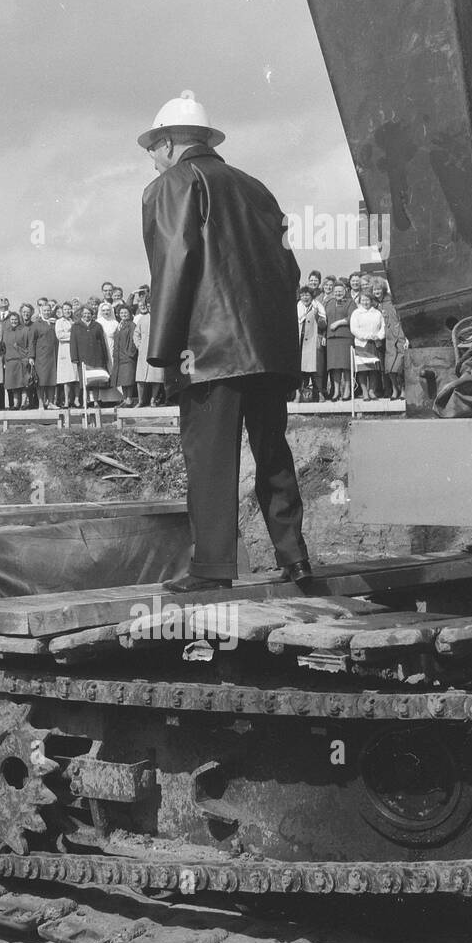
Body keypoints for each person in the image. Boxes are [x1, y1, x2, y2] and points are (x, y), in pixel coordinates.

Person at [139, 89, 310, 591]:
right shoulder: (257, 188)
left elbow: (174, 262)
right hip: (266, 351)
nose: (150, 158)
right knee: (272, 453)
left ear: (169, 142)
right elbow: (288, 269)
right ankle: (295, 557)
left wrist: (164, 351)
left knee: (210, 460)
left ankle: (212, 569)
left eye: (152, 147)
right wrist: (283, 352)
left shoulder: (172, 184)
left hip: (208, 351)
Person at [70, 304, 111, 407]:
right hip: (83, 358)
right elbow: (73, 343)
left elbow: (102, 342)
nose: (87, 315)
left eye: (89, 313)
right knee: (85, 381)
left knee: (96, 381)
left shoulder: (97, 326)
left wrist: (105, 357)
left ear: (92, 315)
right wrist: (74, 358)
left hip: (96, 357)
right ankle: (86, 401)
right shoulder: (76, 326)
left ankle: (96, 401)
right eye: (85, 313)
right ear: (81, 314)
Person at [322, 279, 355, 401]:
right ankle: (336, 392)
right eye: (336, 292)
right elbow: (324, 319)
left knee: (346, 366)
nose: (338, 294)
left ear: (345, 291)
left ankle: (347, 391)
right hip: (331, 339)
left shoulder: (350, 303)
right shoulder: (329, 303)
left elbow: (352, 317)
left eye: (340, 291)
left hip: (345, 338)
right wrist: (324, 335)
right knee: (334, 367)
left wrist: (339, 323)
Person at [349, 287, 385, 399]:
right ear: (360, 301)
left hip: (374, 344)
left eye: (367, 300)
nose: (365, 302)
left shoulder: (377, 313)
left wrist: (379, 336)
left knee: (373, 369)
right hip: (362, 344)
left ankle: (371, 391)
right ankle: (364, 392)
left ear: (371, 300)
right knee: (363, 369)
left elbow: (382, 327)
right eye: (363, 300)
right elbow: (354, 329)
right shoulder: (356, 313)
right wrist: (367, 336)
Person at [378, 281, 407, 400]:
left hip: (399, 337)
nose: (376, 292)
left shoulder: (392, 302)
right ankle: (395, 389)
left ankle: (403, 390)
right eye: (374, 289)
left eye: (378, 289)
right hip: (388, 339)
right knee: (389, 368)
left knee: (399, 367)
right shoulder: (378, 305)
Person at [296, 286, 324, 402]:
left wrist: (317, 315)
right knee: (300, 370)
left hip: (313, 342)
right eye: (302, 295)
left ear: (311, 296)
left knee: (315, 370)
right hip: (300, 342)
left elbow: (323, 325)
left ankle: (320, 394)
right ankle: (299, 394)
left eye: (307, 295)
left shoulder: (317, 305)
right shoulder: (297, 306)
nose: (305, 297)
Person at [29, 298, 58, 409]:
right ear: (41, 312)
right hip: (41, 357)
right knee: (41, 381)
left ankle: (50, 402)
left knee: (51, 379)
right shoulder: (36, 324)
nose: (47, 312)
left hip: (52, 356)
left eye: (48, 310)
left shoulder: (54, 323)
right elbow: (32, 341)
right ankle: (41, 403)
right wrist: (31, 356)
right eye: (44, 310)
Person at [2, 310, 33, 408]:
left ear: (18, 320)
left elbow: (29, 345)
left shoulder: (24, 330)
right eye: (12, 319)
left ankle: (24, 403)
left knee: (23, 384)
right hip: (10, 361)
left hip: (21, 360)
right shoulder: (6, 332)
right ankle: (16, 404)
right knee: (14, 385)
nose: (14, 321)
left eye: (15, 319)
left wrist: (27, 357)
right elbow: (3, 347)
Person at [54, 303, 79, 408]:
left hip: (76, 350)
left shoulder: (75, 321)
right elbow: (60, 335)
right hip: (65, 350)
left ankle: (77, 399)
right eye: (65, 309)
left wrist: (72, 334)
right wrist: (73, 335)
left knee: (76, 376)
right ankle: (67, 400)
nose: (68, 311)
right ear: (62, 311)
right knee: (66, 377)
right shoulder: (59, 322)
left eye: (69, 309)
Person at [113, 305, 138, 406]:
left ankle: (129, 398)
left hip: (127, 356)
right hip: (119, 357)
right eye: (121, 313)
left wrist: (130, 353)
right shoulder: (119, 325)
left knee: (128, 378)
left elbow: (133, 340)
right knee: (122, 379)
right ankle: (124, 398)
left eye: (125, 313)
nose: (123, 314)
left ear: (129, 314)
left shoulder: (132, 325)